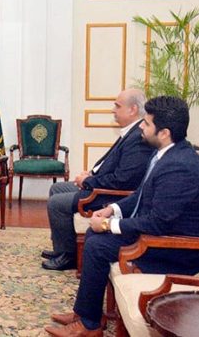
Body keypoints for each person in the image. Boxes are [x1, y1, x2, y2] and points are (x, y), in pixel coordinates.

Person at [45, 96, 199, 337]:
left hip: (182, 250)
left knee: (98, 245)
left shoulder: (179, 167)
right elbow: (141, 194)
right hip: (166, 233)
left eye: (146, 124)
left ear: (164, 132)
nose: (141, 128)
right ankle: (85, 314)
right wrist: (113, 209)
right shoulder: (168, 154)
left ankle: (89, 326)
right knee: (95, 235)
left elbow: (157, 222)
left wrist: (108, 224)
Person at [42, 88, 153, 270]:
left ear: (132, 109)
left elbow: (123, 180)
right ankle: (62, 248)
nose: (113, 110)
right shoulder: (131, 132)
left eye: (117, 106)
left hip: (109, 195)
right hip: (99, 186)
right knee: (57, 189)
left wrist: (88, 181)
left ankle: (69, 257)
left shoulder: (138, 138)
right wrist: (91, 175)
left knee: (56, 203)